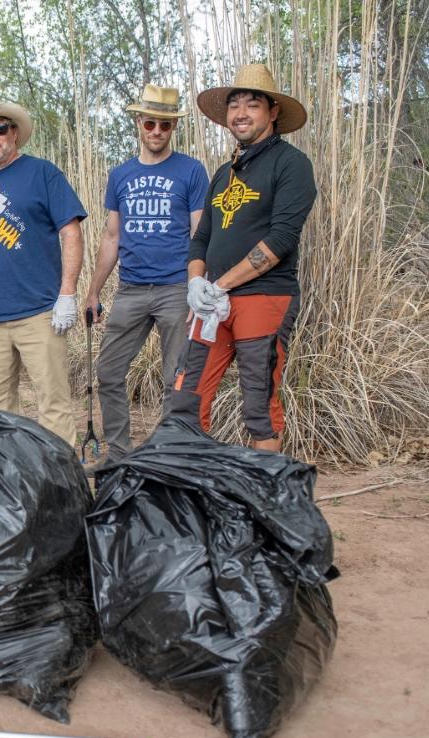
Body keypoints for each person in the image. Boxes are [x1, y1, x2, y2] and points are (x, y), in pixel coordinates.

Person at [170, 64, 317, 451]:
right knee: (187, 396)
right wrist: (196, 285)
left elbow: (280, 241)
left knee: (258, 402)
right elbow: (201, 237)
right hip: (213, 304)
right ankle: (194, 491)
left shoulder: (291, 164)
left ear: (273, 112)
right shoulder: (224, 173)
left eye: (252, 104)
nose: (241, 113)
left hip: (264, 298)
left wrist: (219, 285)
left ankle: (263, 499)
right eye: (235, 105)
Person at [86, 84, 209, 462]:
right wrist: (93, 291)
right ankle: (119, 455)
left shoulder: (191, 171)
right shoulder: (120, 175)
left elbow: (199, 232)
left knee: (176, 379)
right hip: (131, 289)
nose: (157, 131)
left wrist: (196, 285)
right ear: (139, 123)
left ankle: (168, 456)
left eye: (166, 125)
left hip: (175, 287)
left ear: (173, 128)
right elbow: (111, 236)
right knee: (108, 372)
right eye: (151, 123)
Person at [0, 96, 87, 446]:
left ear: (14, 133)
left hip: (41, 313)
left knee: (53, 404)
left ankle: (63, 485)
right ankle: (11, 482)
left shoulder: (43, 173)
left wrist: (67, 294)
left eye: (0, 128)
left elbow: (71, 231)